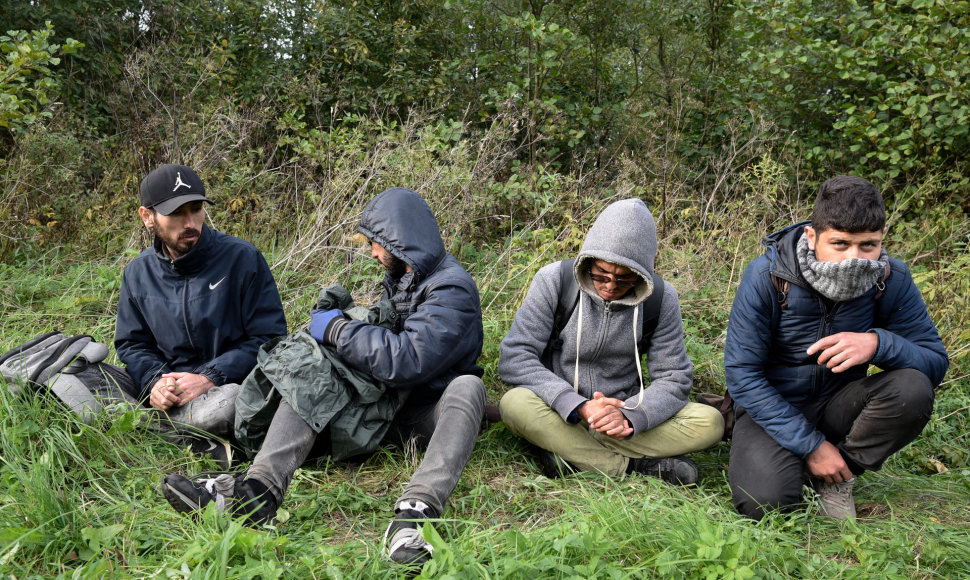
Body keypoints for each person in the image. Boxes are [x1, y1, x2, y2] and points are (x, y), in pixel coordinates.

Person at [161, 187, 486, 567]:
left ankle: (415, 515)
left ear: (402, 241)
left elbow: (407, 359)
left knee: (468, 387)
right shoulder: (405, 278)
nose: (373, 253)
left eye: (377, 244)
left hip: (422, 414)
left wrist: (336, 330)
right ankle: (256, 491)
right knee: (315, 370)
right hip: (383, 406)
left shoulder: (452, 288)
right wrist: (344, 326)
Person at [725, 175, 948, 520]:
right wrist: (811, 445)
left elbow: (934, 362)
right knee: (767, 506)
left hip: (838, 405)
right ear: (812, 236)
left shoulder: (891, 278)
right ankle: (800, 461)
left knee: (912, 388)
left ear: (882, 239)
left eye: (868, 245)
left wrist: (878, 344)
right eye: (840, 244)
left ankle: (838, 476)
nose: (853, 259)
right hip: (771, 407)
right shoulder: (767, 275)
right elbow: (742, 375)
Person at [498, 199, 724, 484]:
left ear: (643, 273)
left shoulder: (662, 298)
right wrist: (578, 405)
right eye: (601, 275)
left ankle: (569, 452)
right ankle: (632, 467)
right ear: (588, 260)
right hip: (561, 409)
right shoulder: (554, 280)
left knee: (710, 422)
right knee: (514, 403)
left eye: (624, 279)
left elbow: (675, 377)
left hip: (624, 412)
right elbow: (515, 357)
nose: (609, 286)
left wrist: (630, 416)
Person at [115, 163, 288, 449]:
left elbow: (270, 339)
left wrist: (208, 377)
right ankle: (182, 429)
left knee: (228, 405)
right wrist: (156, 382)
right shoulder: (138, 272)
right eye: (176, 213)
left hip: (227, 387)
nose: (190, 223)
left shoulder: (242, 259)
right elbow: (133, 344)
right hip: (167, 391)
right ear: (147, 216)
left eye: (196, 209)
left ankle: (151, 429)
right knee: (81, 375)